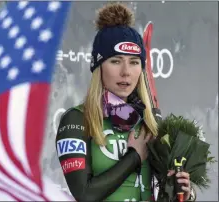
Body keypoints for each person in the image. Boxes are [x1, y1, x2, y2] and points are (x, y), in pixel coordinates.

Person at [55, 3, 195, 201]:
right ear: (99, 67)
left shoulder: (151, 121)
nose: (126, 72)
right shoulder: (76, 119)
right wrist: (135, 157)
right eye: (116, 60)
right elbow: (85, 194)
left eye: (134, 62)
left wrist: (182, 193)